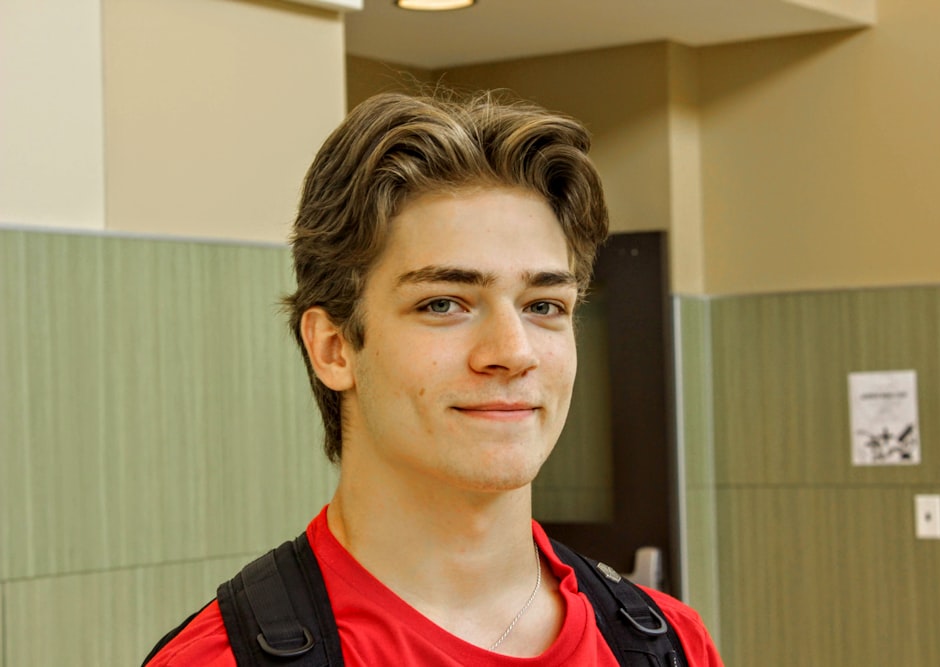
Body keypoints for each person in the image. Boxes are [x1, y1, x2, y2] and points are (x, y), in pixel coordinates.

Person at [144, 90, 723, 666]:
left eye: (543, 305)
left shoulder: (669, 645)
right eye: (444, 304)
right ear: (333, 347)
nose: (512, 353)